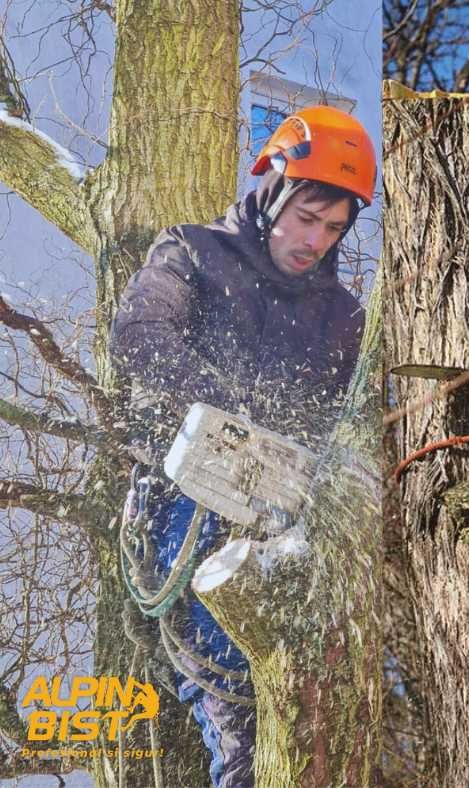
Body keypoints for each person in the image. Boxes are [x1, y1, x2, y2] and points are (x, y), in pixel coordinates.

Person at [110, 105, 376, 788]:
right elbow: (141, 334)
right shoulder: (193, 252)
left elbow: (347, 422)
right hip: (183, 502)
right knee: (230, 702)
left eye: (335, 229)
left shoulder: (343, 316)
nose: (316, 240)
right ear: (274, 192)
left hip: (282, 516)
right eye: (307, 218)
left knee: (305, 696)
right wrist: (224, 404)